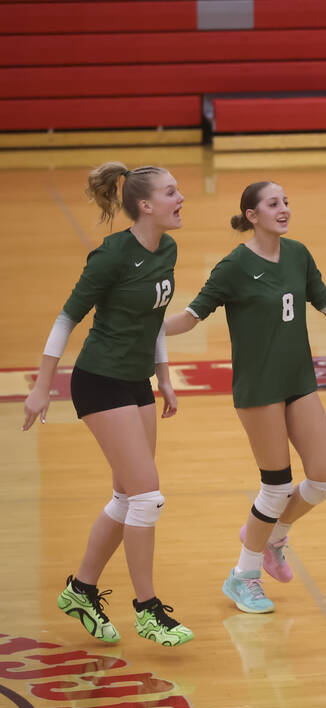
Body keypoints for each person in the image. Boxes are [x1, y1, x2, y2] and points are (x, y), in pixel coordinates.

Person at [164, 182, 326, 614]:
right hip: (259, 387)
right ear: (252, 214)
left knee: (323, 481)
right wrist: (147, 327)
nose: (284, 209)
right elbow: (191, 317)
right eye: (273, 204)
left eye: (286, 201)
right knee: (277, 485)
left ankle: (272, 537)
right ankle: (242, 576)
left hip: (298, 380)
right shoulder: (233, 267)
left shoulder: (298, 254)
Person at [23, 161, 194, 647]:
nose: (180, 199)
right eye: (171, 192)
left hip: (137, 382)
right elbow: (66, 319)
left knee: (128, 497)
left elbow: (154, 322)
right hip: (100, 382)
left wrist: (164, 379)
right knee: (147, 495)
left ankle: (81, 589)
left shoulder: (168, 249)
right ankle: (147, 608)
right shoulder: (112, 256)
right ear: (145, 205)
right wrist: (42, 385)